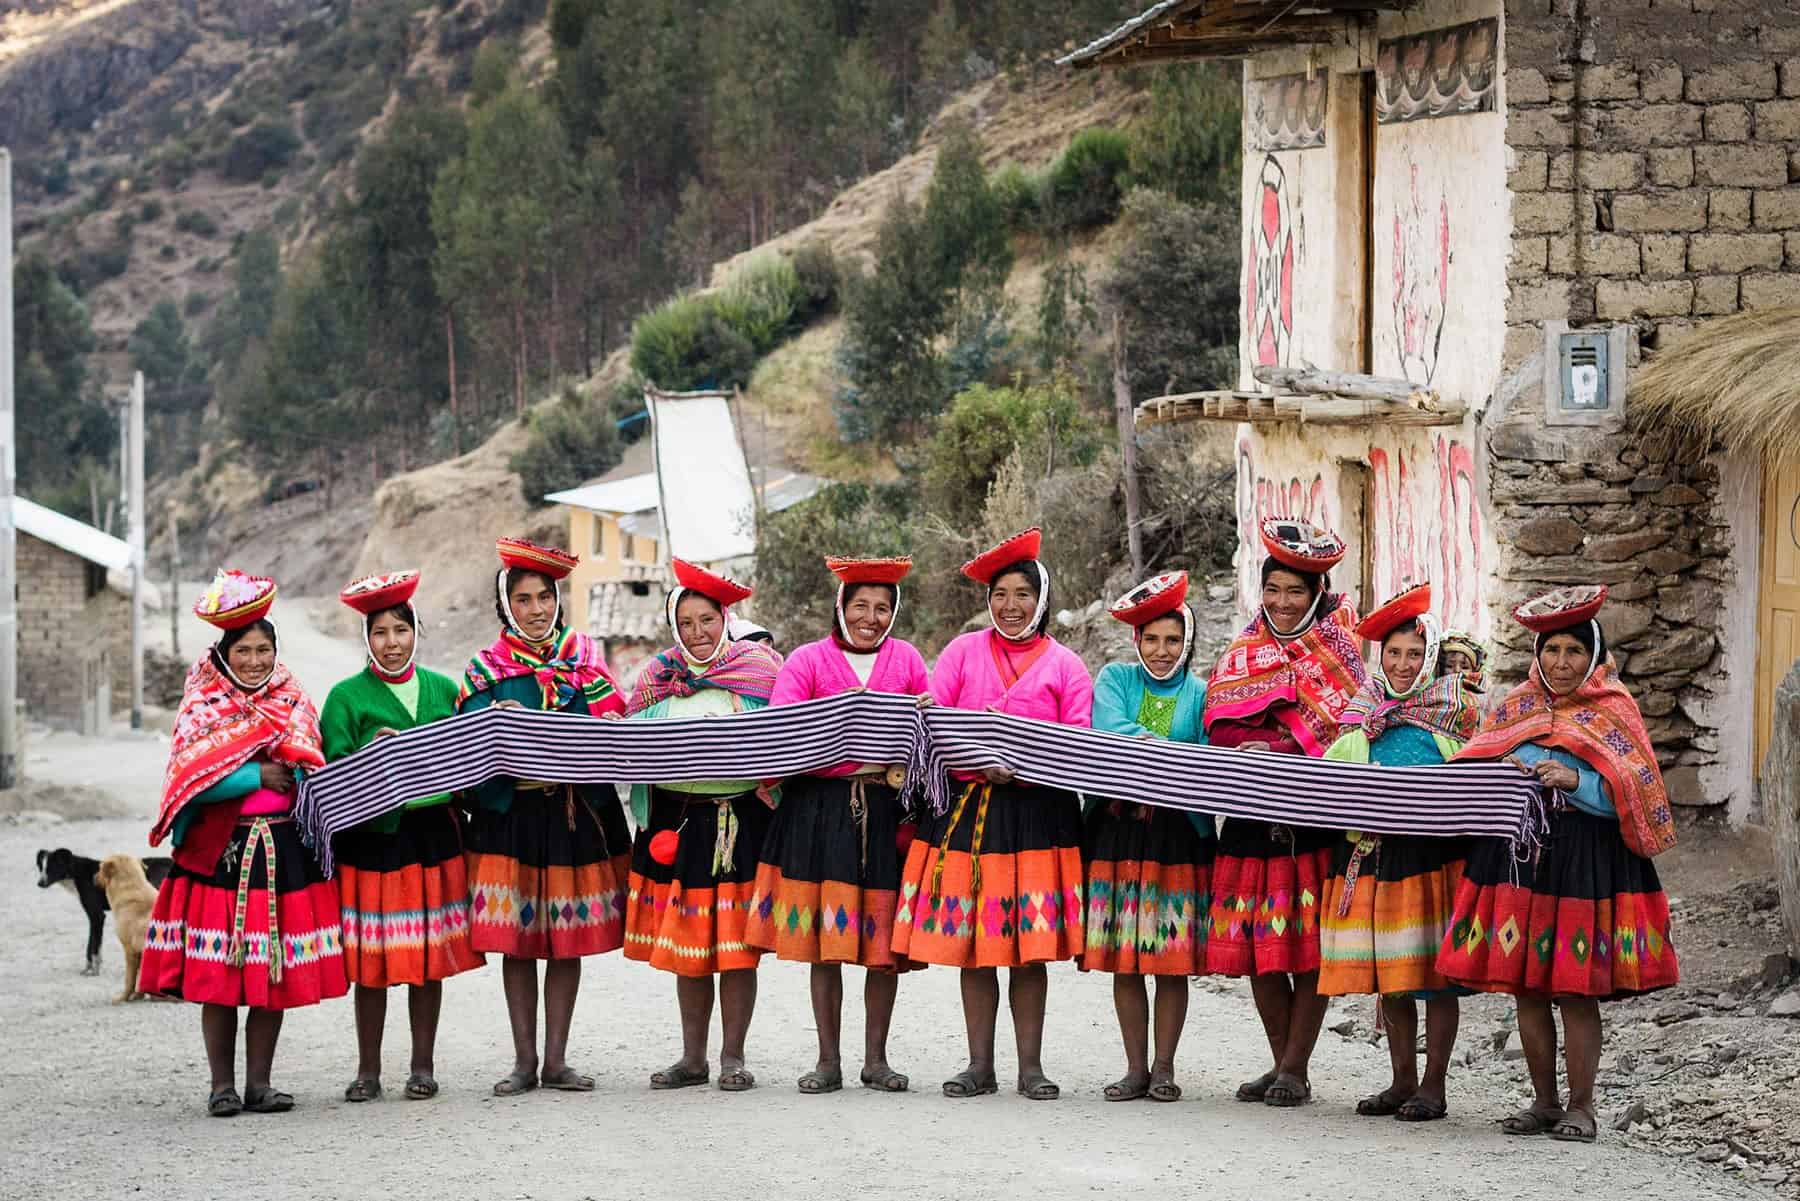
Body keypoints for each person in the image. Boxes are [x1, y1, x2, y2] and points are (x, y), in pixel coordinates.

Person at [1438, 584, 1680, 1144]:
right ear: (1536, 656)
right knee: (1527, 985)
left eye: (1574, 651)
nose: (1562, 663)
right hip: (1520, 862)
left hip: (1585, 863)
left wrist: (1578, 780)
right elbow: (1477, 763)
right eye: (1551, 651)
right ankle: (1544, 1101)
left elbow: (1639, 790)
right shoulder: (1517, 705)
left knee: (1573, 987)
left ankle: (1582, 1105)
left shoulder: (1614, 709)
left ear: (1594, 657)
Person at [892, 527, 1092, 1102]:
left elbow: (1076, 746)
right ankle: (980, 1066)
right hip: (967, 814)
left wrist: (1022, 769)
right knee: (974, 943)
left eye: (1022, 595)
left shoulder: (1066, 666)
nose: (1010, 606)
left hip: (1036, 818)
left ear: (1042, 600)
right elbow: (932, 727)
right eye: (1000, 595)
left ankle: (1031, 1068)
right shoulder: (961, 652)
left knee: (1030, 948)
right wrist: (976, 758)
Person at [140, 570, 347, 1116]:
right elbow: (193, 778)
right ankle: (221, 1087)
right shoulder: (201, 702)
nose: (255, 660)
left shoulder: (293, 698)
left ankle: (260, 1084)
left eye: (264, 649)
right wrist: (258, 775)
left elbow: (309, 767)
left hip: (282, 853)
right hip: (222, 854)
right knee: (220, 976)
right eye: (245, 650)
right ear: (225, 653)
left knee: (270, 973)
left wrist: (291, 774)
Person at [745, 555, 930, 1095]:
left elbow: (927, 735)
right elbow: (781, 730)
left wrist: (920, 712)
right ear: (841, 607)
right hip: (820, 811)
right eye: (860, 606)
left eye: (881, 608)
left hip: (883, 810)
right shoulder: (807, 660)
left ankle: (876, 1059)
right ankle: (828, 1061)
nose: (871, 617)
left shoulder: (908, 661)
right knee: (827, 941)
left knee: (882, 946)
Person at [1202, 517, 1367, 1108]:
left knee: (1307, 946)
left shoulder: (1341, 650)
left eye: (1295, 591)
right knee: (1259, 947)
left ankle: (1296, 1067)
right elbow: (1220, 720)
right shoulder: (1244, 649)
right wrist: (1254, 742)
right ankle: (1280, 1066)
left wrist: (1276, 742)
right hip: (1250, 817)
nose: (1283, 602)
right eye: (1273, 590)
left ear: (1317, 594)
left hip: (1313, 819)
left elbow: (1348, 725)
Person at [458, 538, 632, 1097]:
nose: (537, 609)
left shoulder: (584, 661)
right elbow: (464, 749)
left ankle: (557, 1061)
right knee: (517, 940)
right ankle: (524, 1062)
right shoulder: (484, 672)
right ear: (507, 606)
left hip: (571, 816)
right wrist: (497, 720)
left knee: (566, 938)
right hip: (512, 819)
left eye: (545, 597)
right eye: (525, 599)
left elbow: (614, 730)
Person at [1316, 583, 1481, 1123]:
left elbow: (1471, 781)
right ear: (1379, 657)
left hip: (1428, 863)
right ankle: (1401, 1080)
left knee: (1433, 976)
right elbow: (1333, 779)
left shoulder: (1452, 714)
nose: (1404, 664)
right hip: (1375, 860)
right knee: (1393, 974)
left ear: (1431, 655)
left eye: (1415, 653)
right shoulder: (1362, 713)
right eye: (1393, 653)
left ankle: (1433, 1086)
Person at [624, 559, 785, 1092]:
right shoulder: (658, 679)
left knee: (738, 948)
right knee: (690, 948)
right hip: (679, 824)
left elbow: (783, 739)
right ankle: (692, 1059)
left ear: (725, 620)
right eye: (687, 623)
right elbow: (632, 744)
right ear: (675, 626)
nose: (697, 633)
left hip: (742, 821)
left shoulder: (759, 671)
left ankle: (733, 1058)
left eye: (707, 621)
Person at [321, 570, 481, 1103]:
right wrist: (371, 757)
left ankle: (422, 1067)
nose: (392, 643)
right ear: (366, 640)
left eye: (401, 631)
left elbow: (469, 757)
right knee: (373, 959)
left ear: (417, 632)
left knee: (426, 958)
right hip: (375, 843)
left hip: (434, 838)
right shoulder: (346, 698)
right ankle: (368, 1070)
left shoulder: (443, 689)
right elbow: (332, 773)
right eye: (380, 633)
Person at [1083, 571, 1213, 1104]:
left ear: (1187, 643)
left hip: (1175, 840)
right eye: (1152, 640)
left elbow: (1211, 757)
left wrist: (1154, 761)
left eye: (1173, 640)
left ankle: (1164, 1068)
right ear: (1137, 642)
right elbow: (1108, 731)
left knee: (1169, 958)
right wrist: (1171, 754)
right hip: (1119, 834)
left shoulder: (1203, 692)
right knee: (1125, 958)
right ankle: (1134, 1068)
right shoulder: (1115, 678)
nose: (1162, 651)